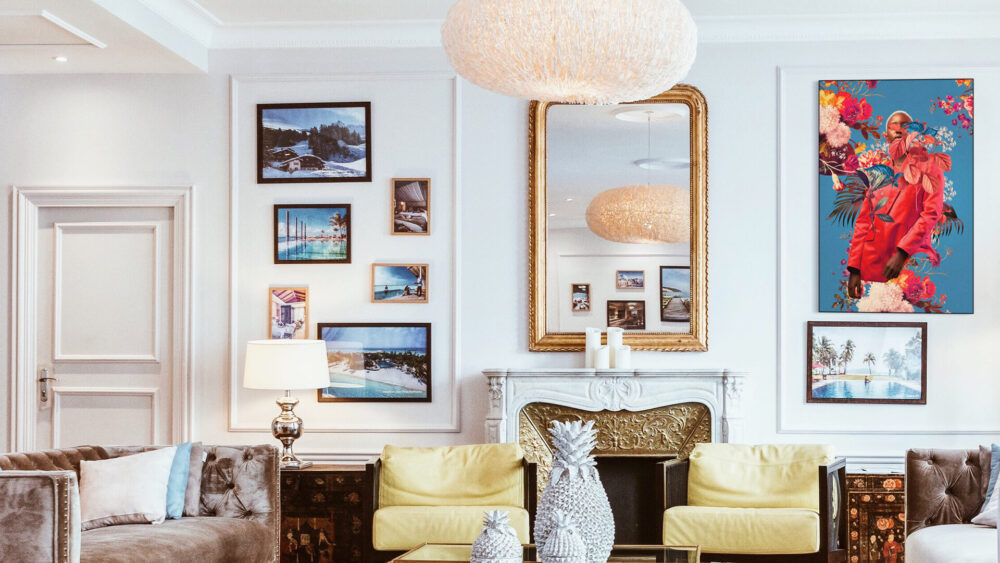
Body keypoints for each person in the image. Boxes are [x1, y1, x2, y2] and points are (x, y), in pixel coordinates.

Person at [846, 110, 947, 299]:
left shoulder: (930, 166)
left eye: (904, 125)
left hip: (910, 263)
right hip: (874, 268)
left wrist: (902, 253)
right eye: (893, 126)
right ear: (886, 136)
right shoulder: (880, 173)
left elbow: (931, 214)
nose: (899, 130)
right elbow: (864, 222)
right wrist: (855, 269)